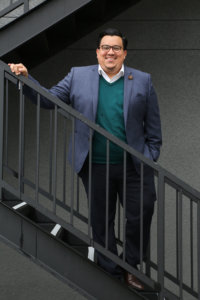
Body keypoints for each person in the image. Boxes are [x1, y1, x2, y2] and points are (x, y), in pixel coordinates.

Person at [9, 28, 162, 290]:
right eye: (105, 47)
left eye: (115, 48)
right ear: (97, 52)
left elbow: (154, 130)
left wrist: (149, 157)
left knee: (141, 213)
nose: (110, 52)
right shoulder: (78, 76)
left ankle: (130, 266)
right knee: (102, 221)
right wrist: (27, 79)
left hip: (134, 167)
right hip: (95, 164)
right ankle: (111, 270)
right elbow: (50, 100)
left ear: (124, 53)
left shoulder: (143, 81)